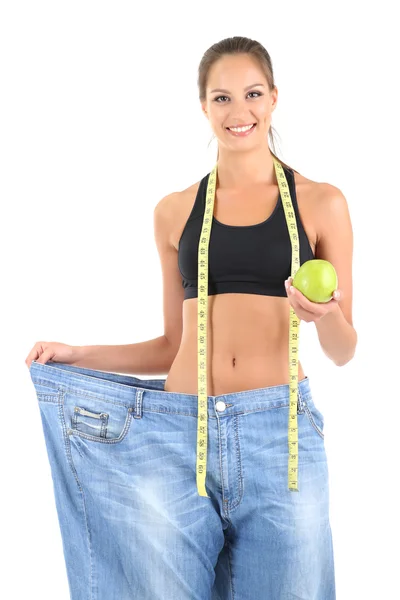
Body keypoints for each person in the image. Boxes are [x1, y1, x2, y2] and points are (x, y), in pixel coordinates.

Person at [26, 36, 357, 599]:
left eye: (252, 94)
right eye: (222, 98)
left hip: (279, 434)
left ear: (274, 99)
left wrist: (322, 315)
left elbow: (345, 348)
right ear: (204, 107)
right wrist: (78, 353)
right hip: (175, 434)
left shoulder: (320, 202)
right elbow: (171, 345)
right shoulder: (176, 211)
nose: (239, 111)